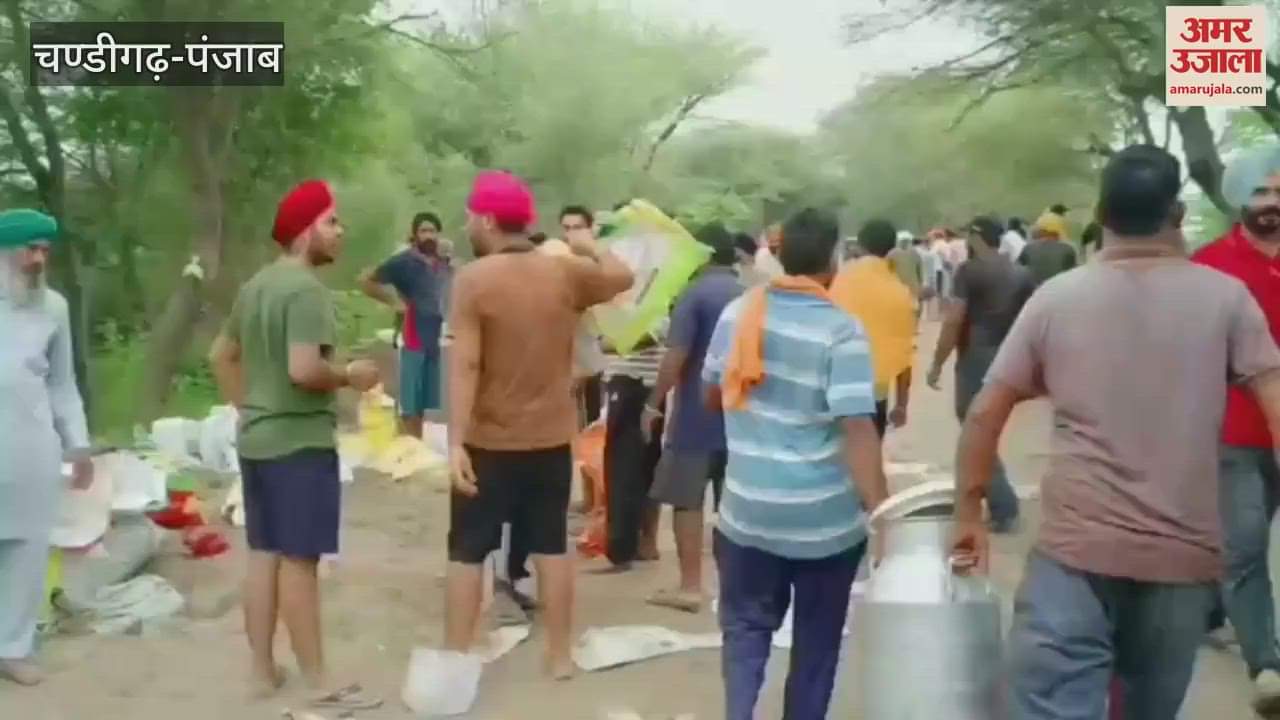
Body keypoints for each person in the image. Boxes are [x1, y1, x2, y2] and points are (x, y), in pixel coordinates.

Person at [950, 145, 1280, 720]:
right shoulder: (1225, 298)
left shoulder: (1059, 298)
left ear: (1102, 217)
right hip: (1181, 564)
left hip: (1074, 558)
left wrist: (967, 514)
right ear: (1176, 216)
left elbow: (984, 413)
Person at [445, 171, 633, 679]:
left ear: (486, 219)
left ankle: (457, 657)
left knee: (467, 551)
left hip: (489, 440)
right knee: (552, 546)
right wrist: (588, 244)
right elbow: (623, 277)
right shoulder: (564, 273)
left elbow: (465, 364)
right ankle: (558, 656)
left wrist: (455, 441)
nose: (467, 224)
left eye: (469, 215)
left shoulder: (472, 280)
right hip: (550, 438)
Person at [704, 207, 888, 720]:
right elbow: (858, 429)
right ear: (834, 259)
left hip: (747, 514)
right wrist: (882, 513)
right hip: (824, 525)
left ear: (779, 254)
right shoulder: (842, 331)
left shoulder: (738, 314)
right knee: (817, 644)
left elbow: (711, 394)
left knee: (744, 633)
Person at [209, 180, 382, 706]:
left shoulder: (256, 285)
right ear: (305, 232)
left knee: (263, 555)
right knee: (300, 561)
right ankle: (319, 682)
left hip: (259, 441)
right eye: (331, 222)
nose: (340, 231)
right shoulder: (306, 290)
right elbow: (304, 369)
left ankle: (264, 672)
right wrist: (351, 374)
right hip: (299, 442)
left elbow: (221, 355)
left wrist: (248, 410)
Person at [1190, 144, 1280, 712]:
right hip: (1237, 436)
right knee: (1244, 549)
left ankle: (1208, 608)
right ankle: (1267, 666)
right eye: (1260, 193)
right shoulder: (1209, 268)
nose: (1272, 204)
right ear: (1237, 201)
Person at [0, 210, 93, 687]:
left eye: (44, 250)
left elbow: (62, 383)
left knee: (26, 551)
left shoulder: (53, 307)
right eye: (28, 249)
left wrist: (78, 445)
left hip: (32, 448)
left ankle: (13, 648)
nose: (38, 259)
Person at [643, 223, 743, 612]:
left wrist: (653, 402)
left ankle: (690, 586)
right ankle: (735, 587)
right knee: (734, 505)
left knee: (687, 502)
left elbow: (676, 356)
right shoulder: (750, 293)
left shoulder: (694, 294)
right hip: (739, 417)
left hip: (695, 417)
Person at [926, 216, 1030, 533]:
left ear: (976, 237)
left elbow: (954, 320)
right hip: (1008, 357)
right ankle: (997, 501)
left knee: (975, 431)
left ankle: (1002, 503)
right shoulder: (1022, 273)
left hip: (976, 358)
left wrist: (937, 362)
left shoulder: (970, 272)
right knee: (987, 429)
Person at [359, 212, 448, 437]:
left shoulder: (441, 262)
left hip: (434, 338)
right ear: (415, 234)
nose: (428, 235)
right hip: (412, 335)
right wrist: (394, 302)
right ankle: (410, 449)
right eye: (423, 231)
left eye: (432, 231)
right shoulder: (404, 261)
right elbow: (367, 281)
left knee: (425, 400)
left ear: (439, 234)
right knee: (410, 401)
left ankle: (416, 448)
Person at [831, 219, 917, 438]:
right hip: (876, 393)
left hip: (839, 387)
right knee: (869, 457)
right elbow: (904, 356)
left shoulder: (842, 279)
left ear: (859, 245)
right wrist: (901, 405)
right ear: (891, 248)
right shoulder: (899, 291)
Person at [599, 324, 666, 572]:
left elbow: (650, 336)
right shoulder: (657, 294)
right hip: (644, 383)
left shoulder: (653, 295)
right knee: (645, 464)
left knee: (625, 468)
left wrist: (605, 342)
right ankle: (642, 542)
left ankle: (623, 548)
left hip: (634, 382)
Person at [1019, 211, 1078, 287]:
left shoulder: (1028, 249)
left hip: (1034, 295)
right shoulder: (1068, 250)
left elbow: (1018, 275)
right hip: (1059, 293)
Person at [886, 230, 924, 312]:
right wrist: (920, 282)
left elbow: (889, 271)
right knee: (913, 308)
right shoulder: (915, 253)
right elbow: (920, 270)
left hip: (898, 285)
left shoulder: (891, 254)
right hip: (912, 285)